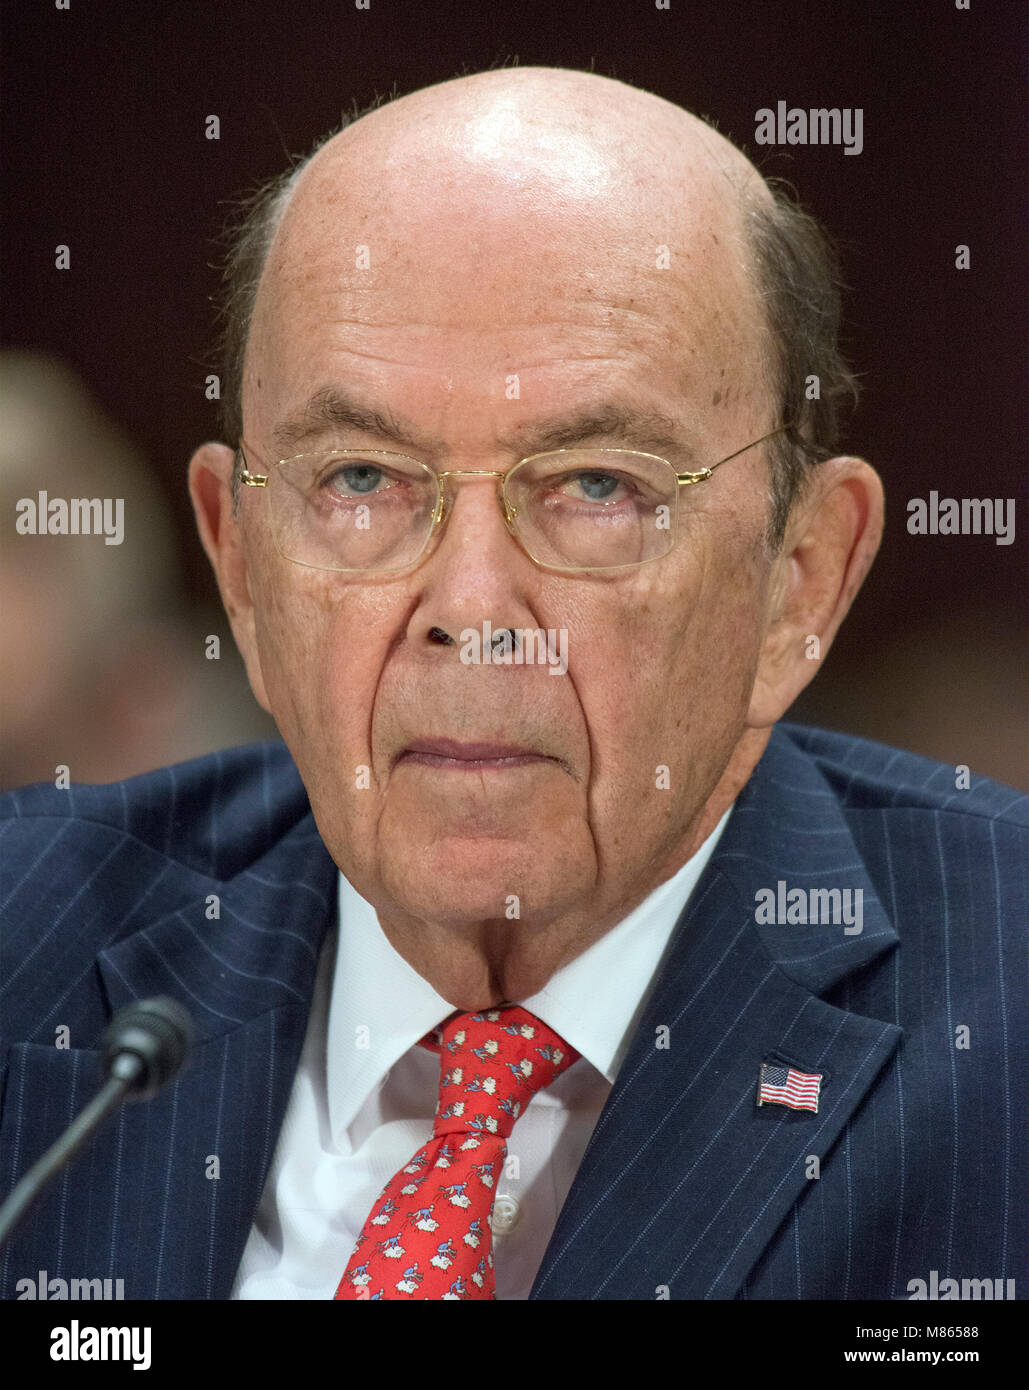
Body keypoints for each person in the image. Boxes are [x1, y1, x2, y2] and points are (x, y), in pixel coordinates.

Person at [1, 66, 1024, 1302]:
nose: (473, 613)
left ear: (800, 581)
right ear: (241, 571)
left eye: (597, 486)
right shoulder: (30, 943)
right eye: (363, 481)